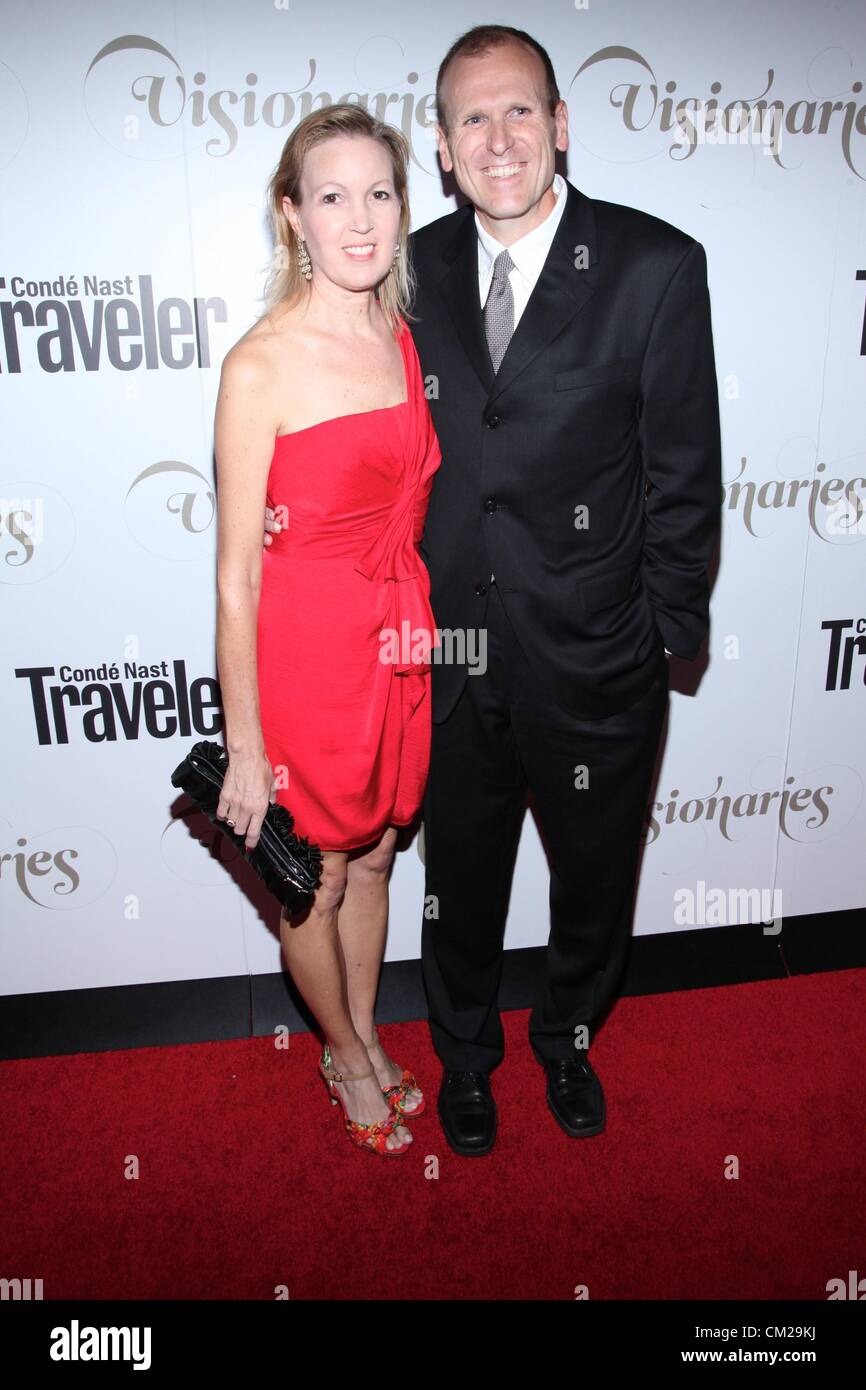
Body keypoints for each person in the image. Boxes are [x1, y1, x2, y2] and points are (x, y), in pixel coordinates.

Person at [265, 26, 722, 1157]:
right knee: (455, 883)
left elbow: (683, 473)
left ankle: (564, 1037)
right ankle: (463, 1056)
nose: (498, 138)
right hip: (449, 659)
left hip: (597, 658)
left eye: (518, 111)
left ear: (560, 126)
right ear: (442, 143)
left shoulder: (655, 267)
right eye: (471, 118)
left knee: (592, 882)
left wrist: (658, 641)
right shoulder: (400, 271)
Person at [215, 104, 441, 1156]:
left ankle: (365, 1027)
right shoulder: (260, 365)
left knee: (384, 855)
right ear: (290, 213)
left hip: (396, 642)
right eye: (333, 195)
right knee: (324, 874)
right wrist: (246, 741)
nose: (360, 219)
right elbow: (233, 577)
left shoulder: (400, 334)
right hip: (306, 655)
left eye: (380, 192)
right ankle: (345, 1052)